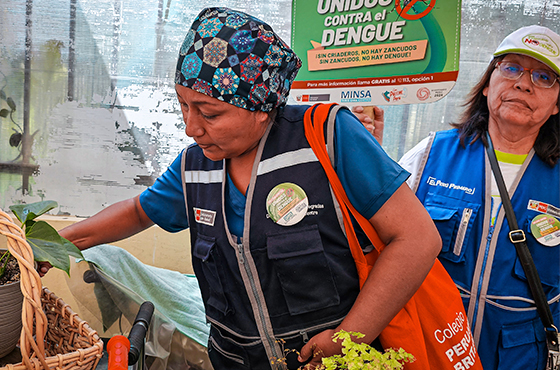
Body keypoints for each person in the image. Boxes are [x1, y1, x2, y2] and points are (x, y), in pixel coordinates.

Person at [42, 7, 441, 370]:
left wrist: (349, 337)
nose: (190, 128)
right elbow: (136, 212)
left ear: (262, 106)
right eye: (183, 105)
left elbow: (417, 239)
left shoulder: (328, 140)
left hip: (335, 360)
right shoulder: (195, 166)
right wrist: (51, 245)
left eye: (210, 113)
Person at [356, 25, 560, 370]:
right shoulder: (429, 155)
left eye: (543, 77)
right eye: (511, 68)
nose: (523, 83)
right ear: (487, 84)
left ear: (556, 105)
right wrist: (366, 154)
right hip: (431, 344)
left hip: (520, 357)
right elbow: (373, 235)